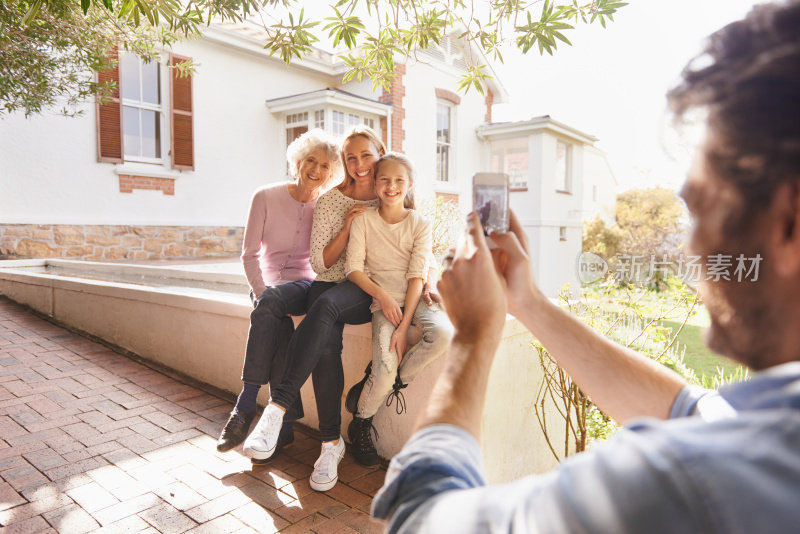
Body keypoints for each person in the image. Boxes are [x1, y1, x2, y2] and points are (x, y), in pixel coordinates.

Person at [372, 2, 800, 532]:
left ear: (788, 223)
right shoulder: (773, 428)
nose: (690, 250)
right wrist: (527, 303)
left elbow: (421, 519)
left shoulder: (693, 479)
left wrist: (474, 336)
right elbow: (695, 409)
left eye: (701, 207)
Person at [244, 126, 438, 492]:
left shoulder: (392, 189)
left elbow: (421, 248)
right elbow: (320, 264)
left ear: (380, 152)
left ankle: (277, 407)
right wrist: (347, 228)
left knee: (327, 308)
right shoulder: (332, 201)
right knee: (326, 342)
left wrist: (431, 281)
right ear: (343, 163)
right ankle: (330, 444)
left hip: (366, 289)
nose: (359, 164)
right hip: (332, 282)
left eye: (366, 155)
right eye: (351, 158)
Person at [215, 129, 341, 456]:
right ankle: (283, 428)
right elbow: (249, 255)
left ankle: (243, 408)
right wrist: (260, 292)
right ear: (297, 161)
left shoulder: (327, 207)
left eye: (325, 165)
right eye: (310, 160)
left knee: (273, 305)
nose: (316, 169)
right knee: (279, 322)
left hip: (304, 286)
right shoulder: (265, 196)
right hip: (267, 288)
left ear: (331, 172)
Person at [343, 153, 454, 466]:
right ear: (376, 183)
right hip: (383, 301)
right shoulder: (364, 220)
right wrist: (384, 298)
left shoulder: (420, 223)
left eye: (399, 181)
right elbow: (353, 269)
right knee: (385, 366)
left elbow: (417, 274)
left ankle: (391, 380)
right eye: (385, 179)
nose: (391, 186)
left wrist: (405, 328)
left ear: (409, 185)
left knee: (442, 334)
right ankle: (361, 421)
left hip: (416, 297)